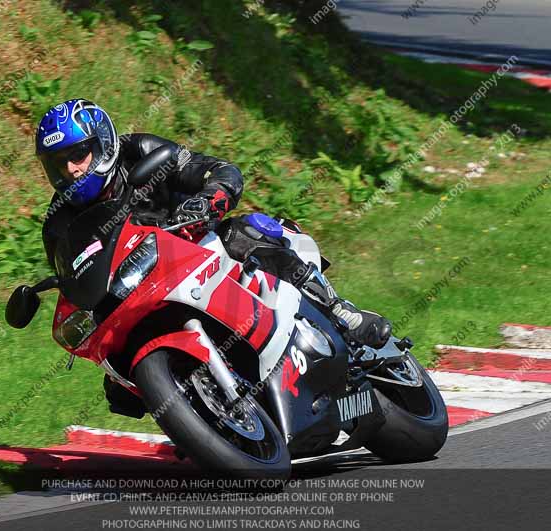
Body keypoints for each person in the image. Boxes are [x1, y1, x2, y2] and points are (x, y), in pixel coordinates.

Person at [36, 98, 391, 350]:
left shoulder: (139, 150)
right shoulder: (57, 222)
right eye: (58, 163)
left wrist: (207, 200)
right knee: (117, 383)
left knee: (244, 233)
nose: (71, 170)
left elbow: (216, 170)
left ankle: (339, 310)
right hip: (139, 291)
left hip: (195, 248)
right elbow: (73, 280)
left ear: (103, 144)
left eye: (78, 154)